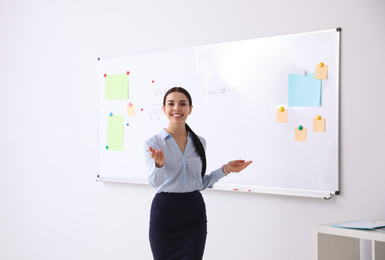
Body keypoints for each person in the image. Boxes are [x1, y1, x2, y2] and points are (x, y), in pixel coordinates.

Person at [144, 87, 252, 260]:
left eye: (182, 104)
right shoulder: (153, 143)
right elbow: (155, 183)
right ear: (164, 109)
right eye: (171, 104)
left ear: (190, 109)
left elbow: (199, 183)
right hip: (165, 214)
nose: (176, 108)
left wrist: (226, 169)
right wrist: (159, 165)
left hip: (193, 213)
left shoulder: (200, 142)